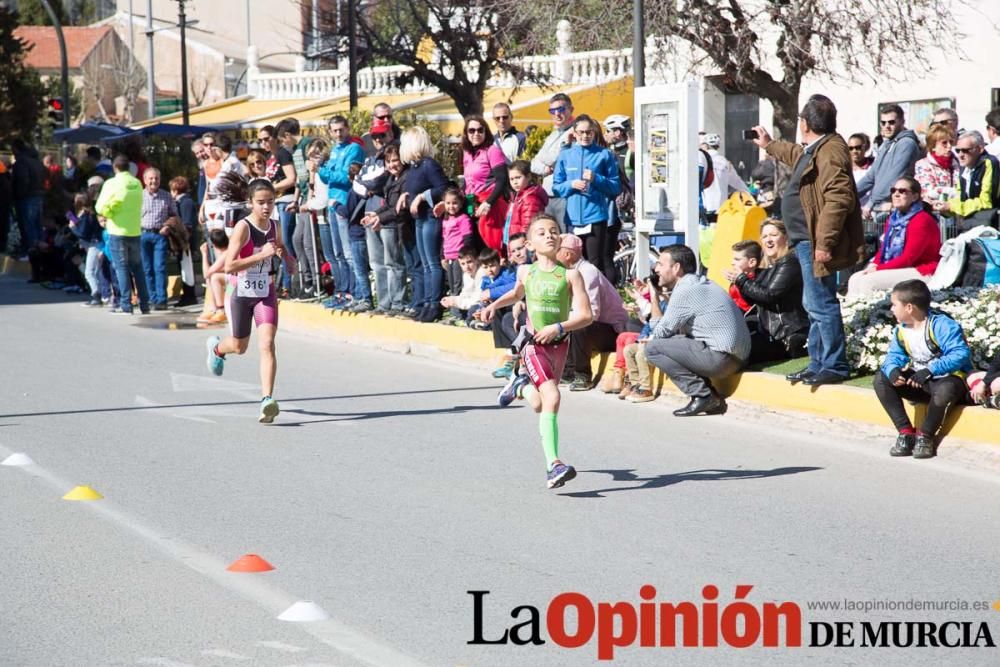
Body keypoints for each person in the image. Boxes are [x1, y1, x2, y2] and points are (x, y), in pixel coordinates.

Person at [752, 94, 864, 386]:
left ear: (804, 124)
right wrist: (768, 145)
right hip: (805, 240)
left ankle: (834, 365)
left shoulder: (831, 151)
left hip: (815, 241)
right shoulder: (818, 149)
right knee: (811, 302)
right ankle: (818, 363)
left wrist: (825, 243)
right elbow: (796, 156)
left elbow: (839, 197)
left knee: (820, 303)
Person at [482, 213, 594, 489]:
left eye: (554, 231)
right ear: (530, 243)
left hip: (559, 344)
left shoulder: (570, 275)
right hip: (533, 345)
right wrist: (494, 305)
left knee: (539, 404)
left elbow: (586, 315)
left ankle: (519, 387)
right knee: (553, 395)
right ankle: (553, 465)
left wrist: (559, 326)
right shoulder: (526, 272)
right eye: (542, 232)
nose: (549, 235)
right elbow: (518, 293)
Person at [205, 177, 296, 424]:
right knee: (239, 347)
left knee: (267, 344)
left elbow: (278, 245)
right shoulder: (243, 228)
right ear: (250, 203)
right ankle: (216, 349)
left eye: (270, 202)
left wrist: (287, 258)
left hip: (265, 291)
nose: (266, 208)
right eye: (261, 203)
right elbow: (230, 264)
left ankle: (267, 400)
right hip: (241, 293)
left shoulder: (275, 226)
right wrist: (262, 256)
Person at [645, 244, 751, 416]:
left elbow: (658, 333)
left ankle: (703, 396)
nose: (656, 269)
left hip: (722, 360)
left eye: (660, 264)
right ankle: (708, 394)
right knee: (674, 341)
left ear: (676, 268)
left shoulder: (685, 290)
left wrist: (654, 297)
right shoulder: (700, 283)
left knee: (653, 349)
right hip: (737, 357)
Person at [873, 280, 971, 459]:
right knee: (881, 378)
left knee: (945, 389)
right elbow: (893, 356)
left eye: (894, 305)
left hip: (948, 381)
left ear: (909, 307)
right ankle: (905, 433)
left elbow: (960, 354)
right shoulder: (901, 330)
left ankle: (925, 436)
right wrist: (893, 371)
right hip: (921, 383)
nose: (892, 310)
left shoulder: (942, 324)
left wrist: (931, 370)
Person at [725, 220, 809, 363]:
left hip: (788, 337)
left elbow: (769, 295)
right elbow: (754, 300)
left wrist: (741, 279)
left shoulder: (790, 262)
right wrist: (741, 281)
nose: (768, 240)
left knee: (732, 355)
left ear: (785, 237)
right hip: (770, 335)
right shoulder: (771, 267)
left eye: (773, 235)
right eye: (764, 236)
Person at [554, 233, 630, 391]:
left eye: (556, 250)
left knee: (579, 324)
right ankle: (567, 372)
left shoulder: (587, 272)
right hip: (593, 328)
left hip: (612, 331)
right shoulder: (564, 272)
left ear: (567, 254)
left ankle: (583, 375)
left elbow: (591, 314)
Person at [552, 115, 621, 282]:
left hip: (596, 217)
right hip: (573, 219)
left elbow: (615, 187)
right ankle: (576, 301)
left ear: (594, 133)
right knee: (571, 261)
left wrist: (596, 178)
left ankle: (596, 301)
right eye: (581, 132)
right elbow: (556, 187)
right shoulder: (565, 155)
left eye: (589, 132)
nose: (585, 136)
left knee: (594, 263)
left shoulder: (604, 154)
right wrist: (571, 185)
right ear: (574, 133)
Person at [847, 177, 941, 297]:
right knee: (855, 278)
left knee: (868, 282)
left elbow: (908, 258)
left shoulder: (921, 220)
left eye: (902, 191)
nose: (896, 194)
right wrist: (874, 264)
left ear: (915, 196)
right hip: (901, 267)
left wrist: (879, 269)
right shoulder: (893, 219)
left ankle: (875, 315)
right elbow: (883, 249)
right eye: (893, 190)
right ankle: (853, 312)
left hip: (922, 270)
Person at [399, 126, 448, 322]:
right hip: (419, 219)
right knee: (425, 264)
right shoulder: (414, 167)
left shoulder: (429, 165)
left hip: (429, 217)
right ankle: (427, 302)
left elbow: (443, 187)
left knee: (432, 263)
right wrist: (406, 195)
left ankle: (434, 304)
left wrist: (421, 196)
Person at [320, 115, 367, 305]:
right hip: (332, 203)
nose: (339, 133)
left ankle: (356, 292)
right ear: (330, 132)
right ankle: (342, 291)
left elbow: (346, 177)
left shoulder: (354, 148)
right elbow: (326, 178)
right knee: (337, 253)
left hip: (345, 204)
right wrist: (323, 170)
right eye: (335, 130)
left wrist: (322, 169)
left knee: (348, 253)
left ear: (347, 129)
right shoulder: (334, 150)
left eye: (341, 129)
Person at [96, 155, 149, 315]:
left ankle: (126, 304)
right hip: (135, 230)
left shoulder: (111, 183)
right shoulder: (137, 183)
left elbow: (100, 206)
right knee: (138, 268)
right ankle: (144, 304)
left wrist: (108, 212)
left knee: (121, 268)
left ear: (115, 168)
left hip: (117, 230)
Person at [856, 105, 921, 226]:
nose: (887, 126)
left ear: (902, 122)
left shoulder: (907, 143)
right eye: (883, 122)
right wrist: (849, 194)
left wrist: (871, 203)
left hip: (898, 208)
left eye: (891, 122)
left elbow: (894, 177)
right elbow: (871, 177)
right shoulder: (887, 144)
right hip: (881, 208)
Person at [363, 143, 408, 315]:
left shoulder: (405, 178)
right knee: (377, 264)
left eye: (395, 160)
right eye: (388, 162)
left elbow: (396, 208)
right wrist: (374, 215)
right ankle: (384, 304)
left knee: (393, 264)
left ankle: (397, 302)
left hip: (393, 224)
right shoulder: (390, 179)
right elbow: (388, 204)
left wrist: (379, 218)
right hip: (381, 221)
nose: (392, 165)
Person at [459, 115, 509, 251]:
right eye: (472, 131)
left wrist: (489, 203)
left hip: (490, 204)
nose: (476, 134)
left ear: (485, 132)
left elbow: (502, 179)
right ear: (466, 133)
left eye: (480, 130)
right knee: (475, 247)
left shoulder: (492, 151)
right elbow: (467, 182)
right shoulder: (467, 153)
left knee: (492, 247)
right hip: (472, 202)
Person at [933, 131, 1000, 231]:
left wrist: (952, 206)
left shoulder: (989, 163)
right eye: (958, 150)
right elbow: (960, 197)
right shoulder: (964, 166)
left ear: (980, 149)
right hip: (968, 225)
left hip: (989, 227)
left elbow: (986, 202)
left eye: (965, 151)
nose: (960, 155)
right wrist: (944, 206)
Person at [531, 93, 576, 223]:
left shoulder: (574, 132)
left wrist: (544, 158)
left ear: (571, 109)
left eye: (561, 109)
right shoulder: (553, 134)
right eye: (552, 110)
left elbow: (553, 158)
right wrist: (545, 168)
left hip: (564, 196)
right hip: (548, 195)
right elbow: (533, 164)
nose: (557, 113)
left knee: (565, 238)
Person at [138, 168, 179, 310]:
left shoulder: (167, 196)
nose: (154, 181)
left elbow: (174, 215)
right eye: (151, 178)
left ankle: (162, 300)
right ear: (145, 180)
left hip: (160, 235)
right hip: (142, 235)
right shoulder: (138, 196)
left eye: (156, 178)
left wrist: (168, 226)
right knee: (146, 269)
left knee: (160, 268)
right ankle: (151, 298)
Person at [700, 132, 750, 217]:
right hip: (721, 205)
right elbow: (736, 181)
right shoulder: (725, 162)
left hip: (704, 205)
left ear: (705, 146)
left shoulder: (701, 160)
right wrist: (748, 193)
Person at [440, 186, 474, 310]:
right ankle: (455, 310)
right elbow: (444, 239)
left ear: (460, 203)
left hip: (459, 257)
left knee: (459, 284)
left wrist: (465, 255)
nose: (451, 206)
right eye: (448, 203)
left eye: (455, 203)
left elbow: (468, 238)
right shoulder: (445, 219)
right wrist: (442, 256)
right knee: (452, 285)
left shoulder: (463, 219)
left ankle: (459, 312)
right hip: (449, 257)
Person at [11, 139, 45, 259]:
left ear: (16, 149)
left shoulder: (21, 162)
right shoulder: (36, 161)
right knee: (37, 225)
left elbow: (22, 181)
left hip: (26, 198)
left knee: (28, 226)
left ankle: (31, 252)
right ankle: (41, 252)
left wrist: (18, 195)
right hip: (38, 196)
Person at [503, 160, 548, 250]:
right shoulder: (517, 196)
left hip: (522, 246)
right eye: (512, 179)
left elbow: (527, 226)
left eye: (518, 177)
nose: (515, 182)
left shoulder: (530, 199)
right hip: (514, 243)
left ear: (528, 177)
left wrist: (521, 246)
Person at [68, 192, 102, 306]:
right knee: (96, 271)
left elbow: (83, 233)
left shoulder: (85, 215)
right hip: (97, 243)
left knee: (89, 272)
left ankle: (96, 296)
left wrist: (73, 228)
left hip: (93, 245)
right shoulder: (91, 213)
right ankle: (100, 294)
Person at [914, 122, 960, 203]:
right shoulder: (922, 165)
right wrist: (954, 192)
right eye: (944, 143)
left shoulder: (956, 164)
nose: (949, 146)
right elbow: (930, 192)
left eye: (951, 142)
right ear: (933, 146)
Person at [440, 244, 485, 324]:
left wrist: (456, 302)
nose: (467, 267)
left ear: (477, 260)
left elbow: (478, 299)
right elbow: (465, 294)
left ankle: (468, 322)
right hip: (471, 303)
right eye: (463, 264)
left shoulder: (482, 273)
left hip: (482, 305)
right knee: (454, 307)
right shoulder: (466, 274)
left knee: (473, 309)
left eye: (469, 262)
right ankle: (463, 320)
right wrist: (452, 299)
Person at [727, 240, 761, 313]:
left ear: (752, 262)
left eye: (737, 259)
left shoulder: (758, 282)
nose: (732, 263)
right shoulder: (736, 280)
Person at [848, 133, 874, 206]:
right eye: (850, 148)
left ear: (865, 148)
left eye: (858, 147)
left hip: (869, 211)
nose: (854, 151)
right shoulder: (844, 169)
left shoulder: (873, 166)